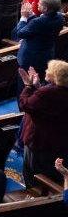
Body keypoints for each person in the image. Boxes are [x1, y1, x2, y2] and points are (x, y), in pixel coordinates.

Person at [18, 60, 68, 188]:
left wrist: (28, 86)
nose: (46, 71)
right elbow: (48, 104)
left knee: (33, 174)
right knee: (53, 173)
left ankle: (33, 196)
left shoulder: (47, 93)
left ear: (56, 76)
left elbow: (25, 104)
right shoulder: (57, 90)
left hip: (39, 141)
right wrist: (38, 87)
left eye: (48, 70)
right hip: (59, 141)